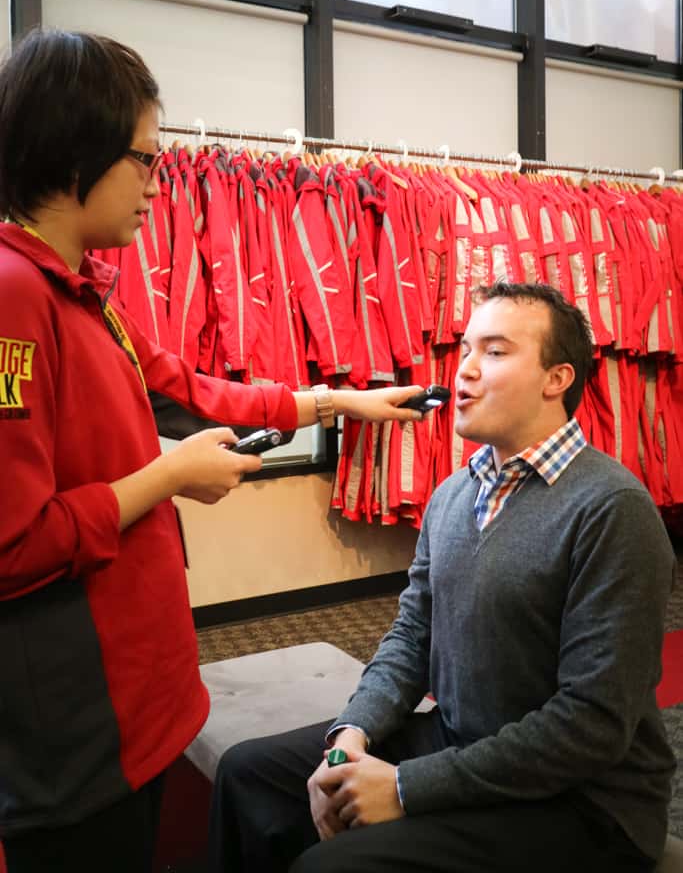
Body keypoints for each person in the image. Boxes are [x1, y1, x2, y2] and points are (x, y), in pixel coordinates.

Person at [0, 28, 425, 873]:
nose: (158, 185)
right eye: (145, 160)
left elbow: (191, 389)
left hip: (130, 686)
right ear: (73, 150)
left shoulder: (81, 288)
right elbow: (13, 541)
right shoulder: (15, 296)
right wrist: (168, 476)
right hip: (77, 711)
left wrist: (336, 398)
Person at [209, 282, 677, 873]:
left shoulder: (612, 509)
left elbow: (592, 726)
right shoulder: (455, 494)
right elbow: (410, 640)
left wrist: (405, 787)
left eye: (496, 352)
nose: (466, 372)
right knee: (248, 775)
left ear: (557, 379)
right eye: (466, 351)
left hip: (585, 800)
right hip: (462, 740)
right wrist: (351, 733)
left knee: (335, 866)